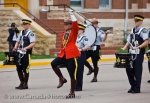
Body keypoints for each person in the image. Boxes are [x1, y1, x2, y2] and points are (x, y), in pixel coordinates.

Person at [50, 11, 80, 98]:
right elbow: (63, 45)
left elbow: (75, 23)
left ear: (71, 25)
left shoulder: (74, 32)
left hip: (71, 56)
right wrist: (60, 52)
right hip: (63, 55)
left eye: (68, 24)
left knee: (72, 75)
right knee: (53, 63)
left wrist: (71, 14)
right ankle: (62, 78)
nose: (66, 25)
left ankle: (72, 93)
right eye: (65, 24)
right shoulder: (64, 33)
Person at [122, 15, 149, 93]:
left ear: (141, 22)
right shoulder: (133, 30)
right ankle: (132, 86)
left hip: (139, 53)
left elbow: (146, 42)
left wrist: (139, 47)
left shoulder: (143, 30)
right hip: (131, 53)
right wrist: (124, 48)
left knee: (137, 71)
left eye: (137, 21)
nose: (136, 22)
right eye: (135, 21)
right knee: (129, 69)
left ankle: (137, 88)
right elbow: (129, 41)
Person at [13, 19, 36, 90]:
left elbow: (33, 43)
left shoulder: (31, 33)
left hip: (26, 54)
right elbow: (17, 41)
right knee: (18, 68)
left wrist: (26, 48)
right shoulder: (21, 32)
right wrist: (15, 47)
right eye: (23, 24)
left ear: (29, 25)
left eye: (26, 24)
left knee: (25, 69)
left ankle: (25, 84)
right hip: (19, 53)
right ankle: (21, 83)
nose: (24, 26)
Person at [75, 24, 89, 91]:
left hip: (81, 54)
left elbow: (87, 46)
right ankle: (74, 85)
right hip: (74, 55)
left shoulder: (84, 38)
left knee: (79, 71)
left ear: (82, 31)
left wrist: (81, 49)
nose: (77, 31)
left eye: (79, 30)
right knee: (74, 71)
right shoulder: (75, 37)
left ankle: (79, 87)